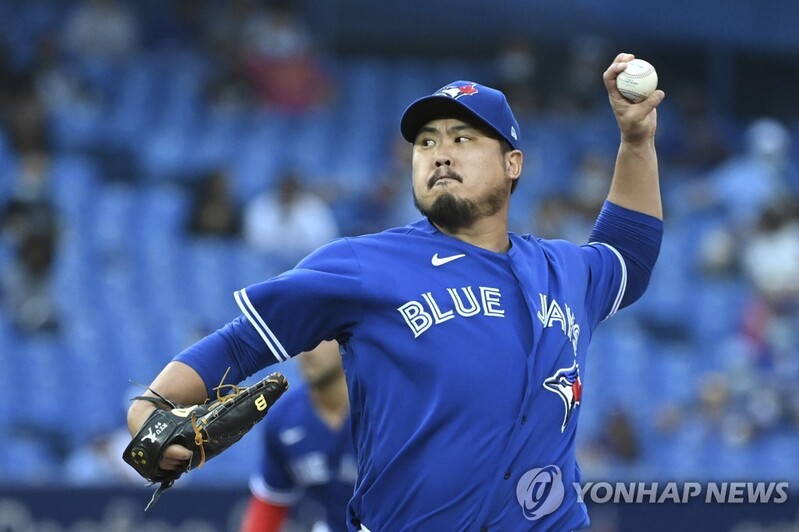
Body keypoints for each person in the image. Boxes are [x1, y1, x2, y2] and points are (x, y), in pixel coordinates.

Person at [128, 53, 665, 531]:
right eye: (426, 142)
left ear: (513, 163)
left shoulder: (563, 269)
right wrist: (149, 408)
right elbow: (243, 343)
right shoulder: (364, 264)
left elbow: (629, 257)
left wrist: (636, 140)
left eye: (463, 137)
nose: (440, 153)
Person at [240, 340, 356, 532]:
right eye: (307, 337)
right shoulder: (284, 419)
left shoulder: (384, 410)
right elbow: (270, 505)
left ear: (346, 340)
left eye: (322, 339)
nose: (307, 351)